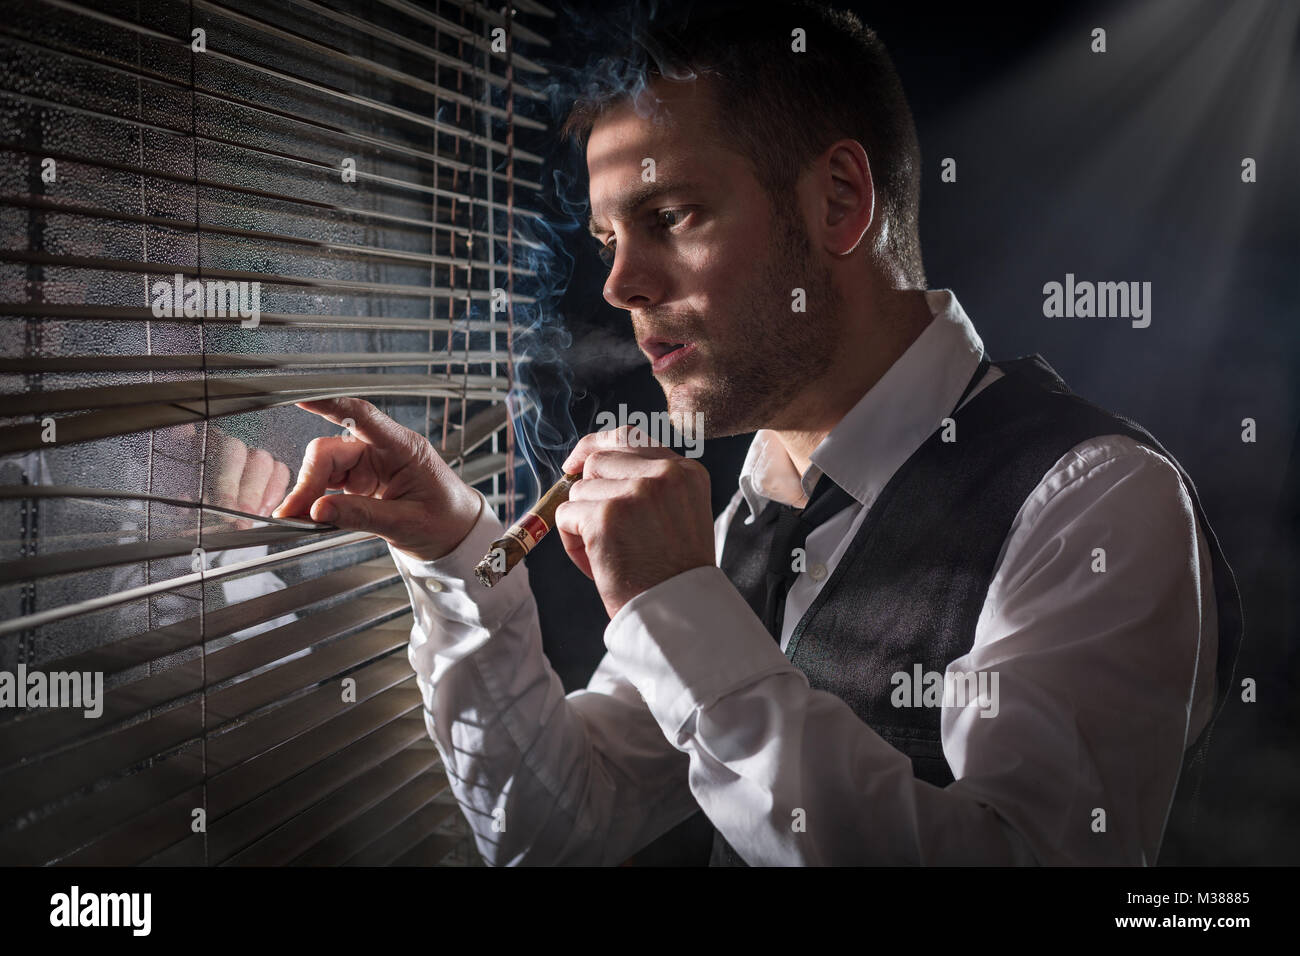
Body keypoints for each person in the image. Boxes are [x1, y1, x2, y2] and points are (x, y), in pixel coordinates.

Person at [274, 1, 1242, 865]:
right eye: (609, 240)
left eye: (670, 215)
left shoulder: (1096, 501)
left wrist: (677, 601)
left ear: (839, 202)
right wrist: (457, 554)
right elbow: (561, 826)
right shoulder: (753, 506)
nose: (619, 286)